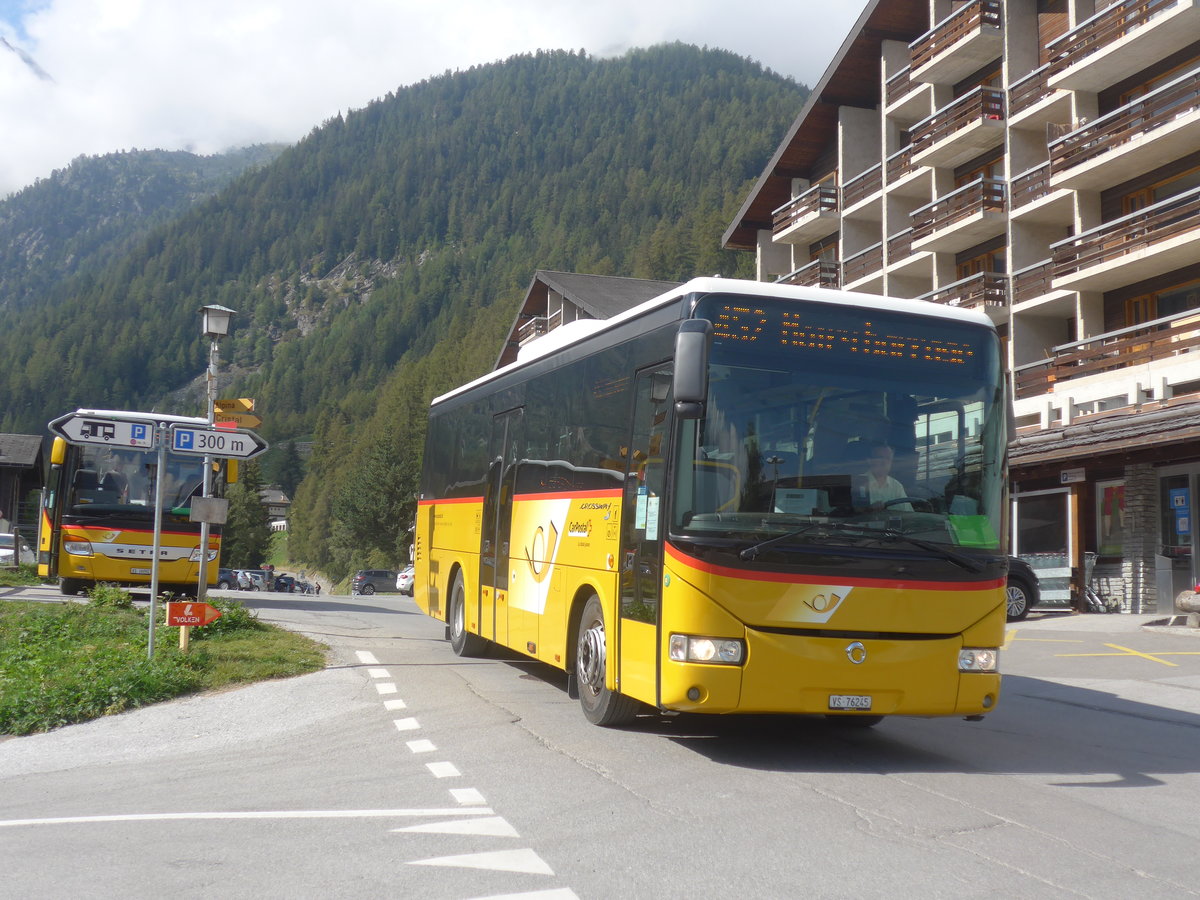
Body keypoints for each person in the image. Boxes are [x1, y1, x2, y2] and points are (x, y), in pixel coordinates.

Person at [860, 443, 911, 511]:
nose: (885, 462)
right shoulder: (858, 483)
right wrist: (868, 510)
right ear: (869, 460)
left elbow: (909, 515)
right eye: (880, 458)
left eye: (888, 458)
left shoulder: (896, 486)